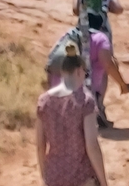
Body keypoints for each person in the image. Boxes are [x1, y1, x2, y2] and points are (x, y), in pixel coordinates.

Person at [37, 41, 108, 186]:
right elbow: (92, 145)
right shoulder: (85, 101)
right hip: (81, 177)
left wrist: (45, 174)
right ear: (79, 71)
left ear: (62, 72)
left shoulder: (44, 102)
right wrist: (103, 181)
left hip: (54, 175)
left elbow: (40, 145)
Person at [46, 13, 129, 128]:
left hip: (58, 89)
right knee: (105, 67)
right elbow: (108, 64)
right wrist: (122, 84)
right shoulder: (100, 38)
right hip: (81, 94)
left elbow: (51, 63)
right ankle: (97, 108)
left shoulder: (68, 36)